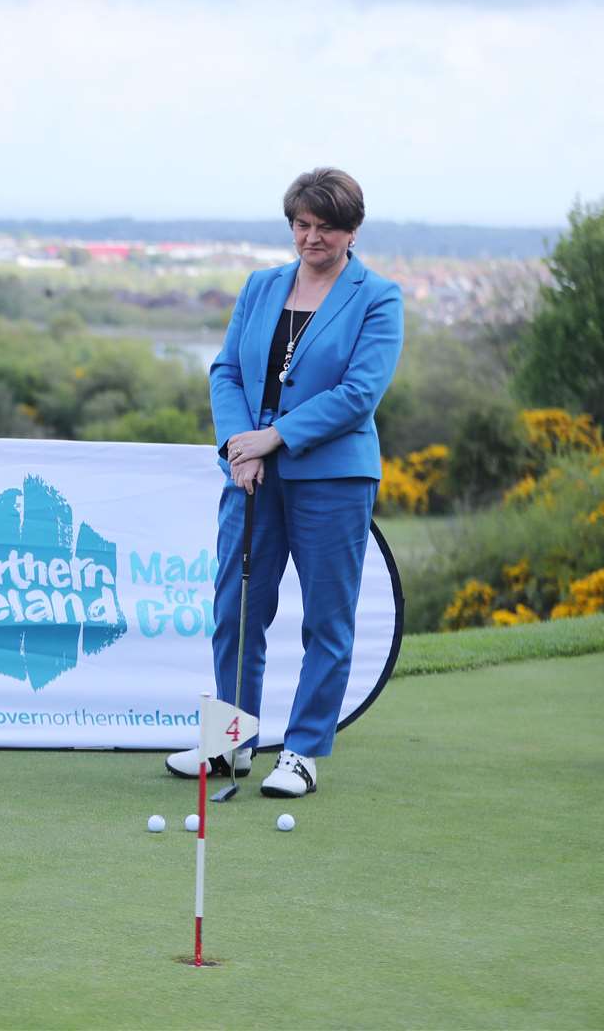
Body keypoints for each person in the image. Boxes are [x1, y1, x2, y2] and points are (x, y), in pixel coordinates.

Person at [165, 167, 403, 797]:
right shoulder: (261, 286)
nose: (311, 238)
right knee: (235, 611)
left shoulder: (377, 297)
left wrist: (275, 437)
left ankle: (301, 752)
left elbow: (358, 394)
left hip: (332, 477)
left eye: (325, 227)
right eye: (301, 224)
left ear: (351, 231)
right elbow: (227, 373)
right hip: (250, 475)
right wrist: (239, 448)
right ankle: (229, 747)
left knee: (326, 619)